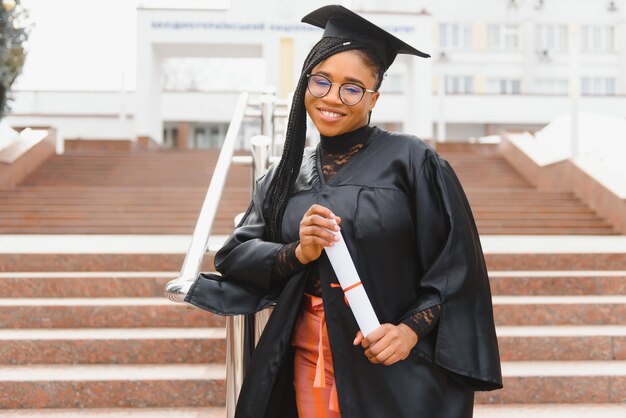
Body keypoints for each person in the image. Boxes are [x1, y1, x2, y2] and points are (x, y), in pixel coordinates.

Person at [185, 5, 503, 418]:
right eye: (322, 81)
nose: (332, 98)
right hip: (308, 356)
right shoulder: (283, 177)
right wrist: (298, 252)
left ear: (374, 97)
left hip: (395, 361)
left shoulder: (411, 160)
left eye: (352, 88)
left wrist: (409, 331)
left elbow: (456, 267)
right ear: (305, 85)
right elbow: (235, 254)